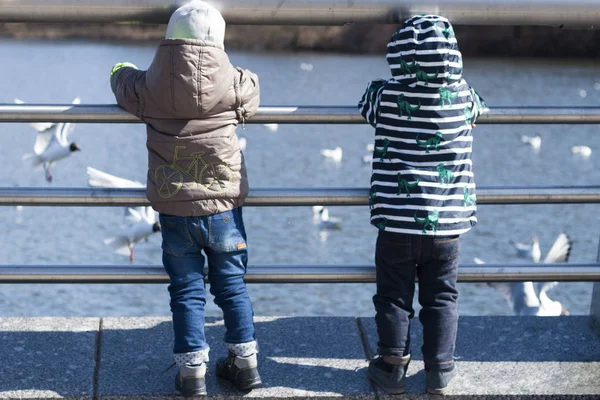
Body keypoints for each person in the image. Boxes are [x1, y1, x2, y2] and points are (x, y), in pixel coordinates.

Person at [110, 1, 261, 396]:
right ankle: (246, 365)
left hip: (174, 208)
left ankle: (192, 373)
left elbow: (122, 82)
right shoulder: (232, 82)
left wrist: (118, 69)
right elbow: (254, 89)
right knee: (232, 285)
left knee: (186, 289)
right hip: (224, 207)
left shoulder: (148, 85)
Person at [358, 14, 485, 395]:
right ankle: (440, 370)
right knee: (442, 297)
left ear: (398, 55)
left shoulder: (388, 96)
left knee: (393, 297)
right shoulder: (463, 96)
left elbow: (367, 104)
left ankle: (392, 366)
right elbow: (481, 108)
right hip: (447, 228)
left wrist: (385, 84)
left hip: (396, 223)